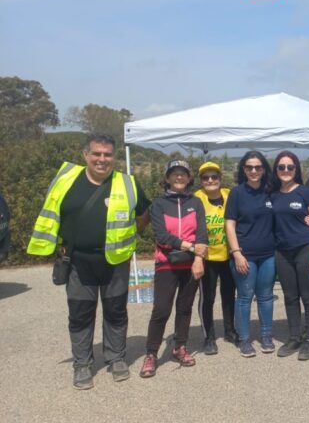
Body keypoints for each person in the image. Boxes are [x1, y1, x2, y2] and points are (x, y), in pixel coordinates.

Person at [27, 134, 150, 390]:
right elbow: (52, 214)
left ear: (114, 157)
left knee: (116, 312)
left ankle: (116, 358)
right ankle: (82, 364)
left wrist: (127, 238)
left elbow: (143, 216)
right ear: (85, 155)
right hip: (78, 262)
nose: (102, 159)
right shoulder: (65, 180)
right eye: (96, 154)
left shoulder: (128, 183)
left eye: (107, 154)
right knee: (81, 314)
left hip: (116, 262)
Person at [139, 160, 207, 378]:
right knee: (161, 310)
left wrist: (198, 258)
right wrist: (188, 246)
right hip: (166, 262)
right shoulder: (158, 204)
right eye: (174, 174)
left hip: (191, 264)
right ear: (167, 178)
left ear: (189, 178)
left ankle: (180, 346)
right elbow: (162, 237)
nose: (179, 177)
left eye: (183, 174)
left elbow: (202, 235)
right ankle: (151, 353)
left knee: (185, 308)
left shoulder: (196, 202)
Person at [271, 151, 309, 360]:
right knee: (290, 296)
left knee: (308, 295)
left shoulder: (305, 192)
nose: (285, 171)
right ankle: (294, 336)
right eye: (281, 167)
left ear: (296, 169)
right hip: (282, 252)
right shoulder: (272, 194)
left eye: (290, 167)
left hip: (305, 248)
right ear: (276, 170)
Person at [224, 151, 277, 357]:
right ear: (243, 169)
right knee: (245, 297)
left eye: (258, 167)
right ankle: (244, 339)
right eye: (249, 167)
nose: (253, 171)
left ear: (264, 169)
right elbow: (230, 224)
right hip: (244, 255)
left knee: (265, 297)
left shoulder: (271, 191)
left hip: (268, 255)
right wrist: (236, 252)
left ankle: (266, 336)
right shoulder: (237, 193)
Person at [194, 161, 237, 355]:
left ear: (220, 178)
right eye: (205, 177)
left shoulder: (230, 195)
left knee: (229, 296)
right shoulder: (196, 199)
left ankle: (230, 330)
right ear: (201, 180)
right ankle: (208, 336)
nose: (210, 180)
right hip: (207, 257)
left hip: (228, 255)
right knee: (207, 298)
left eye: (214, 177)